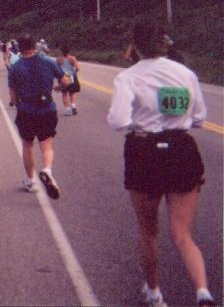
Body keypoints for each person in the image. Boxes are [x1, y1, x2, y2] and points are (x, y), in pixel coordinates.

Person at [107, 21, 214, 307]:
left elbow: (117, 121)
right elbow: (200, 117)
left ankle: (154, 293)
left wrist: (140, 124)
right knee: (182, 234)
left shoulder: (128, 77)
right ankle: (203, 291)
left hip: (144, 152)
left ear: (134, 47)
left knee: (148, 231)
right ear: (164, 44)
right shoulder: (186, 74)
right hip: (182, 150)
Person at [8, 35, 69, 198]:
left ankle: (31, 181)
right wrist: (57, 87)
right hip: (47, 109)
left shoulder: (15, 67)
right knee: (46, 145)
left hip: (26, 110)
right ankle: (47, 170)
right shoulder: (48, 62)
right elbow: (65, 81)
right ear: (34, 46)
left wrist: (14, 102)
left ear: (19, 48)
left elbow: (12, 97)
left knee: (27, 145)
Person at [56, 46, 81, 116]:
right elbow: (78, 68)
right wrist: (73, 73)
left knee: (64, 94)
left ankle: (68, 110)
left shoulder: (58, 59)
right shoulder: (72, 58)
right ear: (68, 51)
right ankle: (73, 107)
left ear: (61, 51)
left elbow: (55, 68)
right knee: (72, 93)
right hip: (71, 77)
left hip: (62, 77)